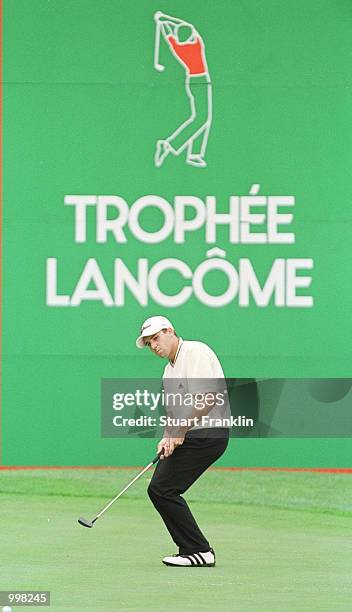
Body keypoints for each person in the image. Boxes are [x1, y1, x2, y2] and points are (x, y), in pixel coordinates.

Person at [136, 315, 230, 567]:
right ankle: (194, 549)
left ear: (170, 331)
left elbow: (207, 399)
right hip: (192, 433)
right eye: (149, 343)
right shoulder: (169, 370)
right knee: (159, 489)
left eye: (156, 338)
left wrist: (179, 431)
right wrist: (168, 437)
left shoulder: (195, 352)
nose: (154, 346)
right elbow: (173, 413)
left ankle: (198, 550)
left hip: (210, 433)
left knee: (163, 488)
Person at [153, 11, 212, 168]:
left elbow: (169, 34)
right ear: (191, 36)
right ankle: (169, 144)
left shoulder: (179, 47)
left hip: (191, 81)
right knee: (202, 118)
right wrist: (165, 18)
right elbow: (188, 26)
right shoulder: (197, 44)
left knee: (201, 117)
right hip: (201, 81)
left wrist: (162, 23)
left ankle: (194, 155)